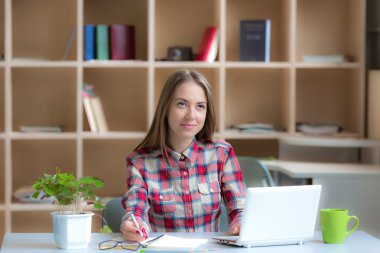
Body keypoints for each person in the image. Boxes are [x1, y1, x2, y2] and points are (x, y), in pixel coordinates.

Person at [121, 69, 246, 242]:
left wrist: (239, 223)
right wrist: (133, 225)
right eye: (181, 104)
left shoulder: (221, 154)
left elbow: (239, 208)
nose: (191, 115)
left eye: (200, 106)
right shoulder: (139, 163)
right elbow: (136, 210)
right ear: (165, 108)